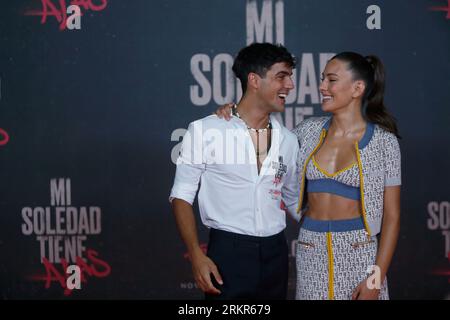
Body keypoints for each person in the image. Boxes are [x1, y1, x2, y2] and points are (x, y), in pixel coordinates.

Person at [215, 51, 401, 300]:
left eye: (331, 80)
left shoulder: (385, 143)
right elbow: (263, 133)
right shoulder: (306, 131)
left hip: (361, 256)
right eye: (322, 79)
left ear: (357, 88)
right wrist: (234, 115)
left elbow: (392, 216)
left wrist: (376, 278)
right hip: (310, 251)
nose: (322, 86)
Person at [169, 43, 300, 299]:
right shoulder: (206, 130)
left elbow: (294, 199)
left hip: (277, 252)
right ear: (254, 80)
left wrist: (338, 223)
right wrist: (196, 255)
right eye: (281, 76)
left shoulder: (289, 140)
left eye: (290, 77)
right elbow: (181, 196)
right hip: (227, 254)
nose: (290, 85)